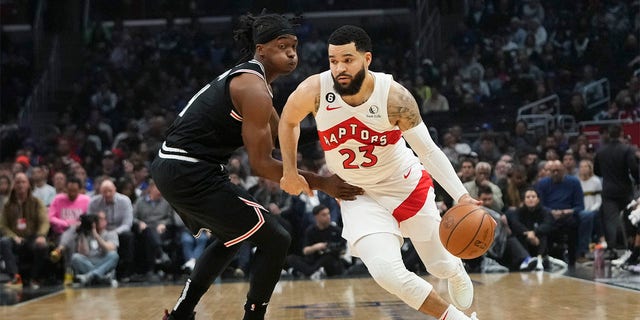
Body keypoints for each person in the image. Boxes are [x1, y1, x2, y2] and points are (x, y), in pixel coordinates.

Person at [150, 13, 363, 320]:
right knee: (276, 237)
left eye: (294, 46)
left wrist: (339, 126)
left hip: (183, 167)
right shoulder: (254, 90)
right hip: (188, 170)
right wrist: (323, 182)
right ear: (261, 50)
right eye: (282, 46)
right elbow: (262, 166)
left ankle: (181, 313)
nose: (291, 53)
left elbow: (280, 139)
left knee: (232, 236)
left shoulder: (256, 81)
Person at [278, 25, 479, 320]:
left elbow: (428, 150)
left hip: (404, 185)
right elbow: (288, 121)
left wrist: (461, 196)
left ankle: (455, 269)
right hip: (357, 193)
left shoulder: (394, 97)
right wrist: (290, 170)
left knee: (439, 266)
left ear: (367, 59)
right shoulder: (315, 91)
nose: (339, 68)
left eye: (348, 59)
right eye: (333, 61)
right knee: (387, 272)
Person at [593, 124, 639, 257]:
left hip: (608, 190)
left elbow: (597, 171)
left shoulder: (601, 151)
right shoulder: (627, 149)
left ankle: (611, 250)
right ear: (621, 133)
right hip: (625, 189)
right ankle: (631, 248)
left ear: (608, 134)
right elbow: (634, 169)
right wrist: (637, 181)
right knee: (632, 218)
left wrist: (608, 176)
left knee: (610, 220)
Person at [0, 172, 50, 289]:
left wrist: (41, 235)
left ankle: (34, 278)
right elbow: (2, 225)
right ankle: (15, 277)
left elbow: (44, 221)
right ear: (14, 185)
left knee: (42, 246)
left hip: (32, 237)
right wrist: (13, 236)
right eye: (17, 182)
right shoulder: (8, 204)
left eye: (23, 182)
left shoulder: (36, 202)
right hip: (16, 238)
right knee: (3, 242)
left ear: (28, 185)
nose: (20, 185)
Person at [87, 179, 134, 282]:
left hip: (118, 231)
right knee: (77, 257)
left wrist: (114, 233)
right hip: (98, 232)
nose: (107, 194)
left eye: (110, 191)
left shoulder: (125, 201)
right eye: (104, 191)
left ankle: (124, 273)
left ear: (115, 190)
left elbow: (127, 224)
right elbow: (89, 221)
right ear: (100, 191)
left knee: (127, 236)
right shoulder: (93, 202)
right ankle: (99, 275)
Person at [58, 211, 119, 287]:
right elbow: (84, 253)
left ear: (105, 221)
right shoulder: (88, 234)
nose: (98, 221)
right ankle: (102, 277)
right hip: (89, 262)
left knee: (114, 255)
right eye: (96, 219)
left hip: (104, 261)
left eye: (100, 219)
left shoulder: (111, 233)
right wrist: (82, 233)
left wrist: (96, 235)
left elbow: (109, 248)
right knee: (75, 257)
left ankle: (90, 276)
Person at [285, 204, 347, 278]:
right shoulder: (310, 231)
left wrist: (330, 248)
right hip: (314, 260)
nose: (328, 217)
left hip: (330, 259)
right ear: (316, 217)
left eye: (328, 214)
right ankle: (314, 272)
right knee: (291, 258)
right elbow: (305, 251)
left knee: (328, 259)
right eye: (324, 215)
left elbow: (343, 249)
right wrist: (316, 247)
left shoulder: (337, 230)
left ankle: (307, 272)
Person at [48, 177, 91, 243]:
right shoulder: (58, 199)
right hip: (60, 233)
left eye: (75, 190)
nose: (72, 193)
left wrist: (79, 225)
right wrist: (66, 223)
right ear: (65, 189)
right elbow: (51, 217)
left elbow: (89, 219)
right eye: (70, 190)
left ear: (80, 190)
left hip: (79, 233)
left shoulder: (86, 200)